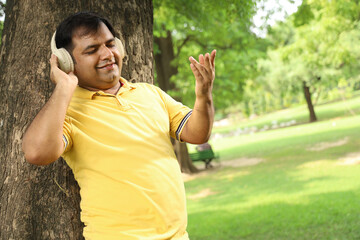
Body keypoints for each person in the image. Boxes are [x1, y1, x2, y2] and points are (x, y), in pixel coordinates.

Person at [22, 12, 215, 240]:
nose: (107, 54)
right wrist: (64, 85)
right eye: (92, 50)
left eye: (110, 44)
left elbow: (197, 133)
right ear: (66, 61)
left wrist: (203, 96)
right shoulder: (67, 112)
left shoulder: (150, 93)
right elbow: (36, 152)